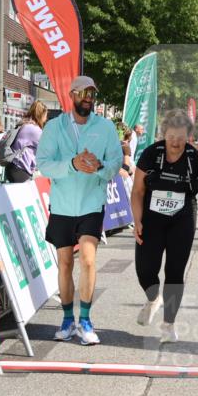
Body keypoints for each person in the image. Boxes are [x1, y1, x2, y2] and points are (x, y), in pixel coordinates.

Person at [36, 75, 122, 345]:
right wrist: (72, 163)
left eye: (92, 93)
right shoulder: (54, 127)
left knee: (87, 260)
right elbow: (44, 165)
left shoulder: (105, 127)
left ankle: (85, 320)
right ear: (72, 95)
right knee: (65, 263)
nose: (88, 97)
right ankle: (66, 320)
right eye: (83, 92)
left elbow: (116, 162)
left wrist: (99, 167)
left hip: (90, 204)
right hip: (62, 206)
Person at [132, 110, 198, 343]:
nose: (175, 141)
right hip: (151, 219)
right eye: (171, 136)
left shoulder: (193, 158)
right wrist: (137, 220)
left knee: (175, 272)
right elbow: (137, 191)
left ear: (188, 136)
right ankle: (153, 297)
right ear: (164, 134)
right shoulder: (150, 153)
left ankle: (168, 324)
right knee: (145, 269)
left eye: (181, 136)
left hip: (182, 219)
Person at [1, 100, 47, 183]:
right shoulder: (35, 130)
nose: (45, 119)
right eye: (45, 116)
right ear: (42, 115)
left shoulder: (24, 124)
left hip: (13, 166)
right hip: (20, 169)